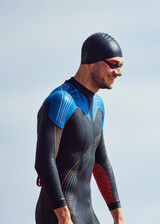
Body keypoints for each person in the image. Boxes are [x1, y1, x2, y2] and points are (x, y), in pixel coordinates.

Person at [35, 32, 125, 224]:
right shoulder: (61, 100)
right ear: (91, 61)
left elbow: (101, 163)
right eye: (113, 64)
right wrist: (63, 216)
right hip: (57, 212)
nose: (119, 72)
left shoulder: (98, 106)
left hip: (86, 213)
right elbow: (44, 161)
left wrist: (118, 217)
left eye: (121, 66)